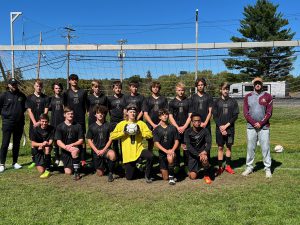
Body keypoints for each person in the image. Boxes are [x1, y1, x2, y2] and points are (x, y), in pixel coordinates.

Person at [110, 103, 154, 183]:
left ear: (136, 113)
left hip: (139, 150)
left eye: (134, 112)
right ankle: (139, 166)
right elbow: (112, 136)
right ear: (127, 113)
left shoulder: (140, 123)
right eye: (130, 112)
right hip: (128, 153)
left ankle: (147, 175)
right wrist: (123, 133)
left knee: (150, 156)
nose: (132, 113)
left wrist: (140, 133)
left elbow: (150, 135)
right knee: (129, 177)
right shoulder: (122, 124)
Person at [242, 77, 273, 178]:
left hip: (264, 127)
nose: (257, 85)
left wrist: (261, 123)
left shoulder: (268, 96)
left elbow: (269, 113)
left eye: (259, 83)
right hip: (251, 127)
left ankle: (267, 168)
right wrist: (254, 123)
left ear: (262, 84)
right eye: (256, 83)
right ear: (253, 85)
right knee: (250, 148)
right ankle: (249, 167)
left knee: (265, 147)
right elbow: (246, 113)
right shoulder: (248, 96)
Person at [0, 78, 27, 172]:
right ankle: (2, 164)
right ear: (9, 85)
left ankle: (15, 162)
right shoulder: (4, 95)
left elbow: (24, 109)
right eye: (12, 84)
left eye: (15, 84)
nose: (14, 85)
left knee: (16, 143)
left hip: (19, 123)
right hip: (7, 123)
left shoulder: (22, 96)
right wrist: (5, 116)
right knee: (5, 143)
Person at [213, 82, 239, 176]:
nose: (226, 91)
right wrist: (221, 127)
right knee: (220, 147)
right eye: (224, 89)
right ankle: (220, 167)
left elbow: (235, 116)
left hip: (230, 129)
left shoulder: (233, 101)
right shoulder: (216, 102)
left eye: (227, 89)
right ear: (221, 90)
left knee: (229, 147)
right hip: (219, 129)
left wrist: (226, 126)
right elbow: (215, 116)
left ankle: (228, 166)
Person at [86, 105, 116, 182]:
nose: (100, 114)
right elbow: (89, 140)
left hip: (106, 149)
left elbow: (110, 139)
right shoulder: (92, 126)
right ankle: (104, 165)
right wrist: (96, 150)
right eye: (98, 113)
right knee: (100, 174)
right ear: (95, 114)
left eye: (102, 113)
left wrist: (104, 150)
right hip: (96, 151)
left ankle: (110, 172)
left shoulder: (109, 125)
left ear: (104, 114)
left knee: (112, 155)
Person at [63, 74, 88, 167]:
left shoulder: (83, 92)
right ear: (69, 81)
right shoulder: (66, 92)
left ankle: (83, 158)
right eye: (72, 79)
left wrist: (87, 113)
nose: (74, 81)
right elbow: (64, 106)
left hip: (80, 118)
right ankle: (70, 156)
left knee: (82, 139)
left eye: (76, 79)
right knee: (69, 137)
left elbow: (86, 105)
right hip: (70, 119)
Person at [55, 107, 84, 180]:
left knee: (74, 151)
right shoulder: (60, 126)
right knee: (68, 172)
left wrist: (72, 145)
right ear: (64, 115)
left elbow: (81, 140)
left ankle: (77, 173)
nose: (70, 115)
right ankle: (75, 164)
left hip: (75, 148)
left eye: (72, 114)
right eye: (68, 114)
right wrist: (66, 147)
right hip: (65, 151)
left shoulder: (78, 126)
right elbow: (58, 141)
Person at [26, 79, 49, 169]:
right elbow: (29, 111)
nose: (38, 88)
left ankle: (43, 159)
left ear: (42, 87)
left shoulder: (46, 98)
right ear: (34, 86)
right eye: (37, 86)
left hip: (43, 123)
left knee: (43, 141)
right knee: (33, 142)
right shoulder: (29, 97)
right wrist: (35, 122)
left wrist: (41, 121)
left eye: (40, 86)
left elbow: (46, 110)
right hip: (34, 124)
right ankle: (34, 160)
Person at [169, 82, 191, 172]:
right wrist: (177, 127)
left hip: (186, 128)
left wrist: (185, 126)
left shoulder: (188, 101)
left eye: (182, 90)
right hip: (175, 128)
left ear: (184, 91)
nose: (181, 92)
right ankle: (176, 165)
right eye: (179, 90)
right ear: (176, 91)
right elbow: (170, 116)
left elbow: (190, 115)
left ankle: (186, 165)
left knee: (185, 146)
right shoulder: (172, 102)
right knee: (176, 146)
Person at [184, 113, 212, 184]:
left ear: (201, 121)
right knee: (192, 177)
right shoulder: (188, 132)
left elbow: (209, 143)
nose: (197, 122)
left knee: (205, 159)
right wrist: (198, 154)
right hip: (193, 155)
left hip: (203, 153)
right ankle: (190, 170)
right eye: (195, 121)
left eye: (199, 121)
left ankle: (206, 175)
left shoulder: (205, 130)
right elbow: (188, 146)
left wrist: (205, 151)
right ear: (192, 121)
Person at [153, 109, 179, 185]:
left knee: (170, 158)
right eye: (162, 114)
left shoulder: (173, 128)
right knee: (165, 178)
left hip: (171, 152)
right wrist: (166, 151)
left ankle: (171, 177)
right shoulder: (156, 129)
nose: (165, 116)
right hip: (162, 154)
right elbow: (156, 143)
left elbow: (177, 141)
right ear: (159, 117)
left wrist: (172, 150)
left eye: (166, 114)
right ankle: (169, 169)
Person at [143, 81, 168, 151]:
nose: (155, 89)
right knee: (150, 142)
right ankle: (150, 158)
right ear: (151, 88)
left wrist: (159, 124)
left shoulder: (163, 99)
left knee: (163, 141)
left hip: (162, 123)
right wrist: (153, 125)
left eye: (157, 87)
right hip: (150, 124)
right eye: (154, 87)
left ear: (159, 88)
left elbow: (165, 112)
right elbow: (145, 113)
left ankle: (162, 158)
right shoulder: (147, 99)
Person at [46, 82, 64, 166]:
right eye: (56, 88)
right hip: (54, 123)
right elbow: (46, 109)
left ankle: (63, 158)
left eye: (59, 88)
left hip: (62, 123)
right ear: (53, 89)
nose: (58, 89)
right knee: (55, 141)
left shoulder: (64, 98)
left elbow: (66, 109)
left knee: (63, 140)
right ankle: (56, 157)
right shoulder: (50, 99)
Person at [31, 114, 54, 178]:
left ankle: (47, 169)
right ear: (40, 121)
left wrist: (44, 144)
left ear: (48, 122)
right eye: (43, 121)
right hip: (38, 149)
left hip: (46, 146)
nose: (44, 123)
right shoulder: (35, 129)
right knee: (41, 171)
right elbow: (33, 143)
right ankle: (47, 160)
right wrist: (41, 144)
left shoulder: (51, 128)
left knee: (47, 148)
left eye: (46, 121)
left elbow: (51, 142)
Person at [107, 80, 126, 161]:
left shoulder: (125, 97)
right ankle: (116, 158)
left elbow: (126, 110)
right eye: (116, 88)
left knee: (123, 141)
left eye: (119, 88)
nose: (118, 89)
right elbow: (108, 110)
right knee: (114, 141)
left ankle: (123, 158)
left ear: (121, 88)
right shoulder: (109, 99)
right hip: (113, 122)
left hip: (122, 122)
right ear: (113, 89)